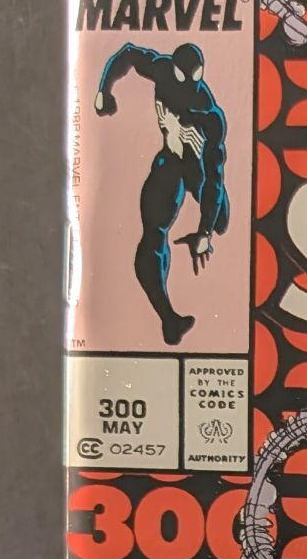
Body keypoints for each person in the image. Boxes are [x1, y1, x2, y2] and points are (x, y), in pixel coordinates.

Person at [93, 41, 230, 344]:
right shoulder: (162, 70)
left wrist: (204, 230)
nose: (187, 87)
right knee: (153, 233)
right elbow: (128, 53)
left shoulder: (210, 116)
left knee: (221, 221)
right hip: (170, 161)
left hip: (198, 168)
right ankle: (169, 318)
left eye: (194, 79)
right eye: (182, 78)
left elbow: (214, 177)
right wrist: (105, 90)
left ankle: (209, 226)